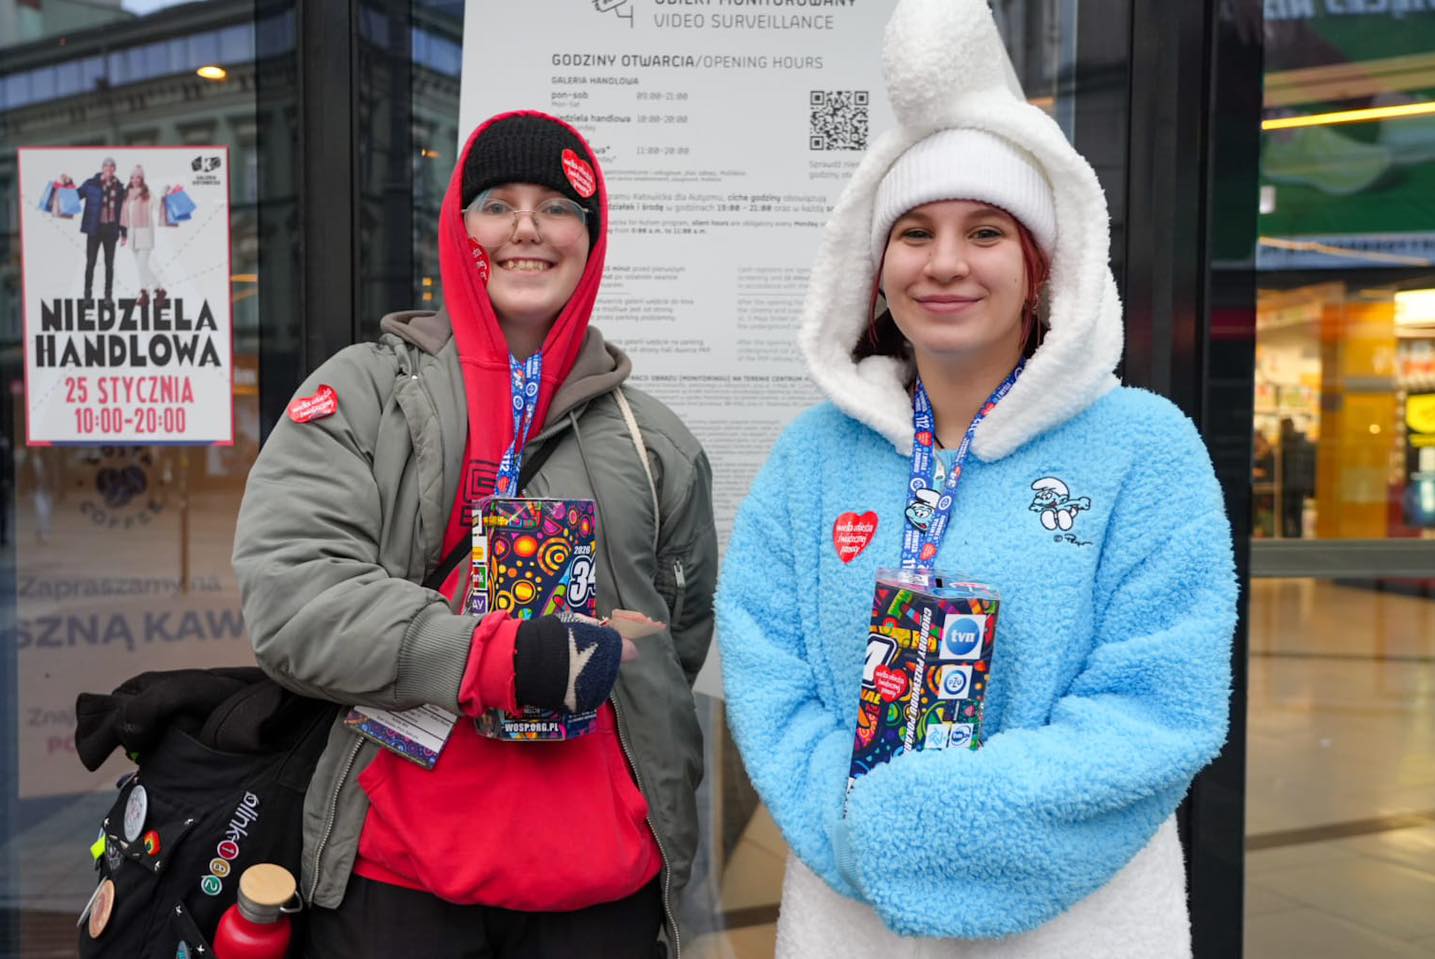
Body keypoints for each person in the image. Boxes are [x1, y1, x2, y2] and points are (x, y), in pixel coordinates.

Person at [716, 1, 1236, 956]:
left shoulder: (1142, 448)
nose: (945, 263)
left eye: (986, 231)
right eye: (914, 232)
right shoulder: (814, 456)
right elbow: (766, 666)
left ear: (1040, 268)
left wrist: (939, 820)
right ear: (876, 267)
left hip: (1076, 922)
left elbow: (1159, 705)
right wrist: (857, 826)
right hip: (851, 914)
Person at [232, 111, 717, 958]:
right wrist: (499, 656)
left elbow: (676, 640)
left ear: (590, 238)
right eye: (497, 204)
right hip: (396, 880)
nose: (527, 228)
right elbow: (294, 599)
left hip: (600, 889)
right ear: (459, 230)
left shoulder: (655, 443)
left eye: (557, 207)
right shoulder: (362, 394)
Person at [75, 156, 127, 300]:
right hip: (94, 230)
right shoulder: (91, 184)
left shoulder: (119, 188)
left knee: (109, 265)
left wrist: (124, 233)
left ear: (114, 169)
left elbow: (122, 212)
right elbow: (76, 195)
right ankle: (87, 294)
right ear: (102, 168)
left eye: (111, 166)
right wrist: (66, 185)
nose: (109, 168)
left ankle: (108, 295)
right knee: (90, 262)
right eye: (106, 166)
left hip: (111, 230)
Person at [119, 165, 167, 307]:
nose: (135, 180)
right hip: (132, 235)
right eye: (132, 177)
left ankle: (151, 291)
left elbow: (159, 207)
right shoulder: (127, 195)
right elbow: (124, 215)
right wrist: (123, 235)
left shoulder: (148, 194)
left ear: (142, 179)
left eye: (138, 177)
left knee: (142, 266)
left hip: (145, 234)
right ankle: (154, 291)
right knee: (141, 267)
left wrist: (165, 195)